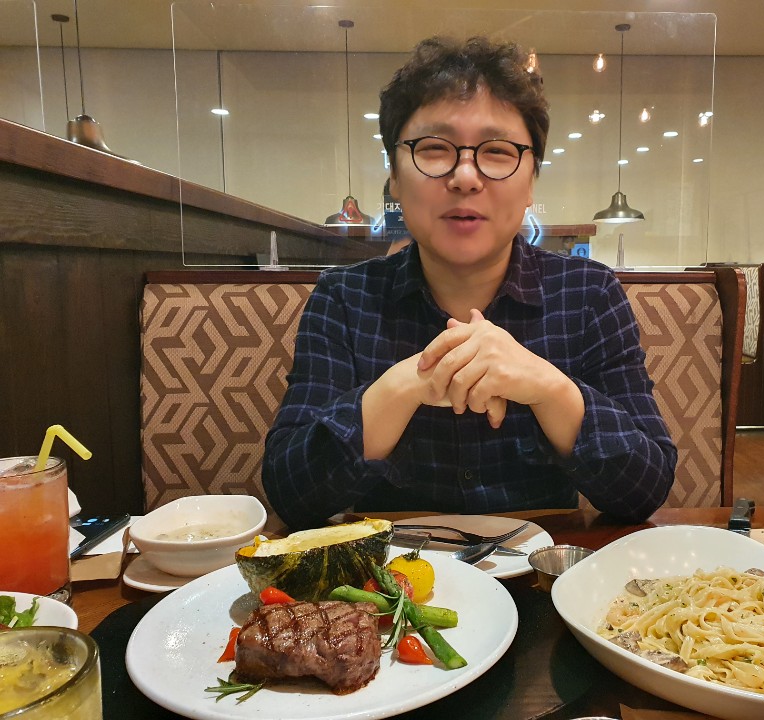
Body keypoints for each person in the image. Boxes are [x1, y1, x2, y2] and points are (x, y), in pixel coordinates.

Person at [262, 36, 676, 530]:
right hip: (389, 573)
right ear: (394, 177)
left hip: (543, 571)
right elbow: (291, 493)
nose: (465, 176)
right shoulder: (343, 299)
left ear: (531, 181)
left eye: (497, 151)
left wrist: (549, 389)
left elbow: (645, 488)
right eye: (434, 149)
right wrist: (406, 385)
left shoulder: (589, 294)